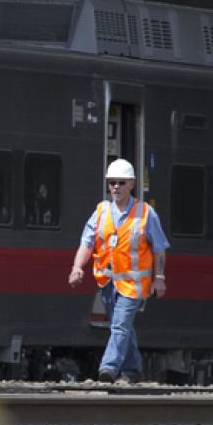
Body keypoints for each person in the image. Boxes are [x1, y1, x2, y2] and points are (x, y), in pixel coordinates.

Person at [68, 158, 169, 383]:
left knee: (120, 324)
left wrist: (159, 278)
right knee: (122, 327)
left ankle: (108, 368)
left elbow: (159, 249)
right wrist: (77, 267)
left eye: (121, 182)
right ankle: (132, 369)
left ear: (131, 184)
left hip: (134, 284)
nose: (115, 187)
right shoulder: (101, 212)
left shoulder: (146, 214)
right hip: (107, 282)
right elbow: (87, 242)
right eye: (111, 182)